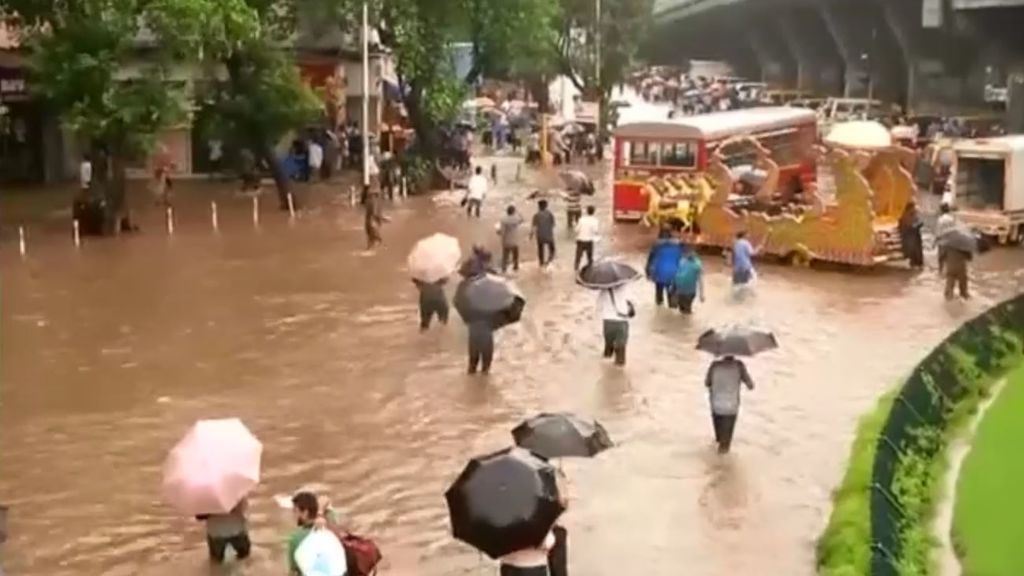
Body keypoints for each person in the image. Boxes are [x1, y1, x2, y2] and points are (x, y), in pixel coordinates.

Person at [705, 355, 755, 454]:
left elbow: (707, 383)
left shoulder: (715, 365)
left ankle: (714, 465)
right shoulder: (739, 366)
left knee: (718, 439)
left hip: (716, 406)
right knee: (725, 444)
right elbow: (750, 385)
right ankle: (722, 466)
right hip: (731, 409)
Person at [287, 491, 337, 575]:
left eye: (295, 511)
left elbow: (293, 571)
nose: (294, 515)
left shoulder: (296, 539)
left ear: (305, 513)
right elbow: (325, 499)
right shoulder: (330, 520)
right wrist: (320, 514)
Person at [199, 498, 251, 564]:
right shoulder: (237, 493)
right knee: (244, 559)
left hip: (216, 533)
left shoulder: (206, 496)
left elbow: (199, 517)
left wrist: (212, 510)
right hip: (237, 530)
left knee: (216, 563)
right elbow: (245, 513)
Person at [597, 284, 635, 366]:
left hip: (608, 323)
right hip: (622, 322)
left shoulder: (604, 291)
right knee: (621, 349)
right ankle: (618, 373)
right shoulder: (626, 289)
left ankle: (605, 369)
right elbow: (633, 304)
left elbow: (599, 307)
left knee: (608, 349)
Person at [646, 228, 684, 306]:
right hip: (673, 275)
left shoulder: (656, 247)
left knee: (659, 298)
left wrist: (648, 273)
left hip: (659, 274)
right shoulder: (678, 246)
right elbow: (683, 261)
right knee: (672, 301)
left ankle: (659, 311)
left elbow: (650, 261)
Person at [673, 246, 705, 314]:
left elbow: (701, 280)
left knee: (685, 310)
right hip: (681, 291)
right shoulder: (682, 261)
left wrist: (701, 294)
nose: (690, 254)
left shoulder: (696, 264)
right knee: (683, 310)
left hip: (688, 292)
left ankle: (685, 322)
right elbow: (675, 275)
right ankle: (685, 322)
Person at [498, 205, 524, 273]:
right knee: (515, 256)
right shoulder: (516, 219)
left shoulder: (503, 220)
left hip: (506, 241)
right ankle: (515, 268)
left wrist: (498, 232)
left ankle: (504, 270)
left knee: (505, 257)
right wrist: (518, 212)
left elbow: (502, 232)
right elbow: (522, 219)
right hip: (515, 241)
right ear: (513, 212)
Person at [530, 199, 557, 267]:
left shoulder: (536, 215)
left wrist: (531, 236)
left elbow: (533, 227)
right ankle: (549, 261)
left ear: (538, 206)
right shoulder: (550, 214)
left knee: (540, 250)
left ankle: (541, 263)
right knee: (552, 250)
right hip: (549, 236)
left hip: (540, 236)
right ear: (546, 206)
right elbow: (553, 224)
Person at [898, 200, 924, 268]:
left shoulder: (912, 214)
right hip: (910, 236)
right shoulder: (906, 215)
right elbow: (908, 225)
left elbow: (917, 222)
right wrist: (916, 225)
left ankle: (916, 263)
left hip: (914, 235)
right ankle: (915, 263)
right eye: (913, 207)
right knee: (913, 251)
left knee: (916, 251)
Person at [574, 205, 599, 271]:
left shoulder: (581, 219)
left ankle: (576, 269)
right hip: (589, 241)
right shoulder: (595, 221)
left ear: (587, 211)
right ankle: (590, 270)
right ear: (593, 212)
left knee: (578, 257)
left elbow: (576, 230)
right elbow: (595, 231)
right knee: (589, 257)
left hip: (580, 240)